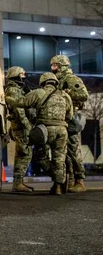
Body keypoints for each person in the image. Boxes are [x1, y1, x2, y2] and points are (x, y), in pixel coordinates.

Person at [6, 72, 73, 195]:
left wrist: (9, 99)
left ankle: (56, 176)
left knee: (40, 156)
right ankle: (58, 185)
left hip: (44, 130)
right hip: (62, 130)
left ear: (43, 82)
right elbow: (70, 115)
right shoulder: (66, 96)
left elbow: (22, 103)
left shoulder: (38, 92)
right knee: (59, 158)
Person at [50, 54, 89, 193]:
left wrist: (66, 93)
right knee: (63, 152)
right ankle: (69, 180)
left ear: (61, 66)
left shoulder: (71, 79)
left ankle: (80, 180)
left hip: (71, 118)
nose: (52, 68)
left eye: (54, 65)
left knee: (73, 149)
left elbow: (83, 95)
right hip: (62, 119)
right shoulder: (57, 80)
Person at [4, 66, 33, 193]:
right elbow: (19, 111)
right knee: (24, 154)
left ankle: (18, 182)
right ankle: (18, 183)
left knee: (23, 153)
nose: (24, 77)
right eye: (22, 75)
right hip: (21, 126)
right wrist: (27, 126)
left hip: (19, 125)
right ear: (16, 75)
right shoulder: (14, 90)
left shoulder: (16, 89)